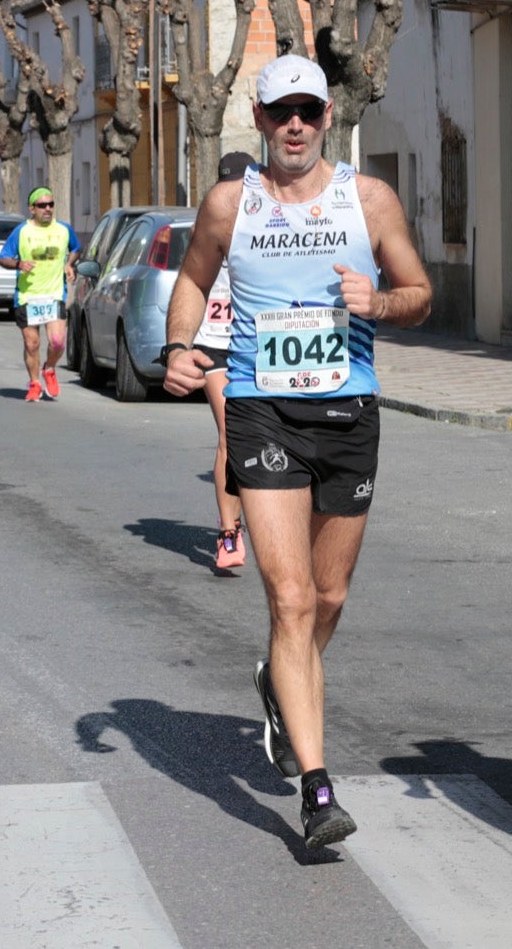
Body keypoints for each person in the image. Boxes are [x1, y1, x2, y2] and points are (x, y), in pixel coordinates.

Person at [162, 55, 433, 851]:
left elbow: (421, 292)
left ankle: (281, 683)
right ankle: (318, 790)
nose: (296, 126)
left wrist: (379, 300)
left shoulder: (367, 198)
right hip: (261, 410)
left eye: (309, 112)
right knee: (289, 598)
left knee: (330, 597)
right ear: (260, 116)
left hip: (348, 414)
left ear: (327, 116)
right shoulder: (228, 204)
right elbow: (191, 277)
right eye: (282, 112)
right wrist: (180, 343)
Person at [193, 151, 259, 571]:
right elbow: (190, 284)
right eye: (229, 184)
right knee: (229, 435)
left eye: (243, 184)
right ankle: (229, 531)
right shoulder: (208, 227)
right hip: (215, 345)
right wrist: (180, 345)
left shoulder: (270, 225)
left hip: (258, 346)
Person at [0, 187, 79, 403]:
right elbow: (3, 257)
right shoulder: (21, 232)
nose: (48, 209)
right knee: (32, 343)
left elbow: (76, 248)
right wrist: (19, 263)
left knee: (58, 342)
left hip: (54, 294)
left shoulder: (64, 229)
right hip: (28, 295)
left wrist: (69, 264)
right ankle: (34, 383)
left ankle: (49, 368)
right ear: (31, 208)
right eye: (42, 205)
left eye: (51, 204)